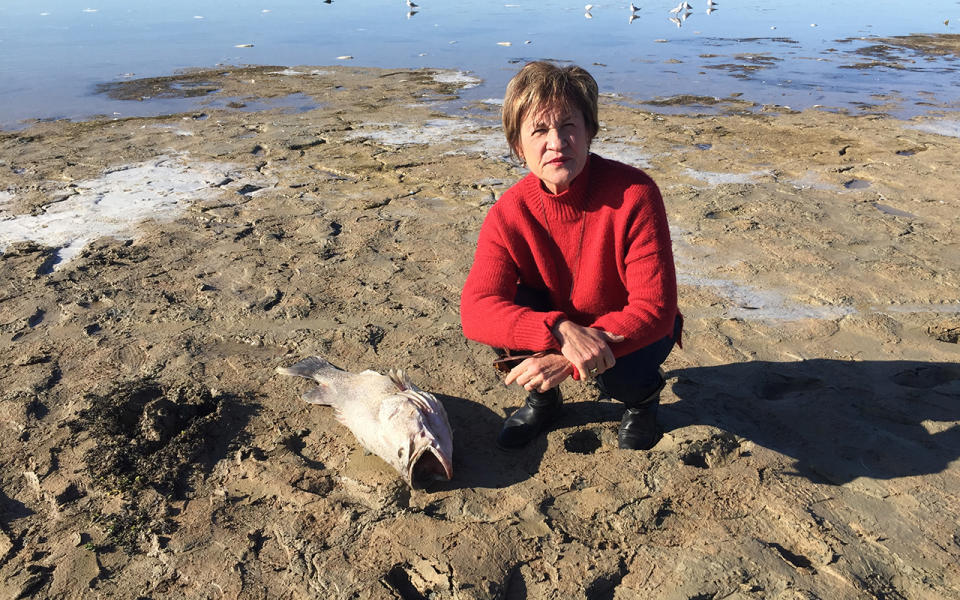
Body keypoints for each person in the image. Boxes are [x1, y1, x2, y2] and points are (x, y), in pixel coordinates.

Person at [460, 61, 682, 451]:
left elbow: (656, 308)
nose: (557, 143)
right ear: (518, 147)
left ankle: (643, 400)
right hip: (559, 322)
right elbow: (476, 311)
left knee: (621, 372)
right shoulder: (509, 213)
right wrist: (561, 333)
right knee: (508, 312)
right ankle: (544, 400)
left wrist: (570, 358)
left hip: (629, 329)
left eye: (568, 127)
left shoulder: (635, 194)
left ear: (589, 132)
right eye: (540, 131)